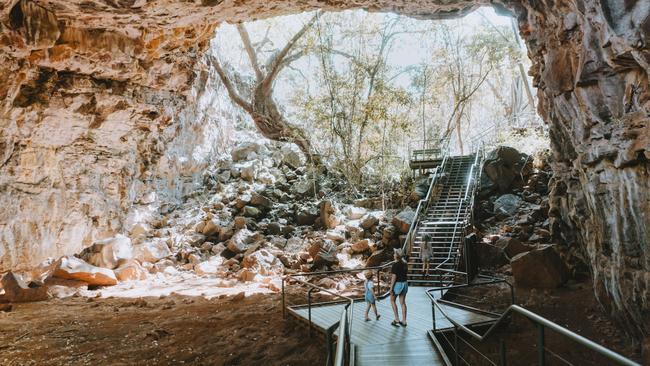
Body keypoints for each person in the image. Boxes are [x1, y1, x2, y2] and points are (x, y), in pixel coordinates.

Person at [389, 248, 409, 327]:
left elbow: (394, 277)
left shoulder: (395, 265)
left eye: (394, 254)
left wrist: (391, 288)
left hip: (397, 284)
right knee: (403, 303)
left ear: (396, 256)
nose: (393, 255)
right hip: (405, 284)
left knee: (392, 300)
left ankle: (397, 319)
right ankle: (404, 321)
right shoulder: (405, 263)